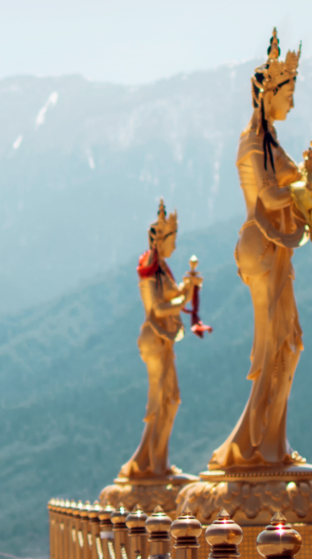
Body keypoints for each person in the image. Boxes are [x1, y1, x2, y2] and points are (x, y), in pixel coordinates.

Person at [210, 30, 309, 469]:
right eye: (289, 93)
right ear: (270, 93)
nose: (292, 103)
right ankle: (254, 445)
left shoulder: (270, 141)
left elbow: (293, 177)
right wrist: (307, 192)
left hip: (275, 246)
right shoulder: (253, 142)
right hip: (261, 245)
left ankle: (273, 441)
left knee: (290, 342)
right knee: (274, 342)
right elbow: (270, 195)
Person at [119, 200, 200, 478]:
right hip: (154, 338)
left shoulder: (163, 270)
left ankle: (156, 460)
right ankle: (153, 463)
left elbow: (173, 297)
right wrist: (181, 302)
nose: (175, 247)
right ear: (161, 240)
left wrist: (186, 290)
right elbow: (156, 309)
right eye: (172, 240)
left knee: (171, 398)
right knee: (162, 398)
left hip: (163, 338)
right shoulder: (150, 271)